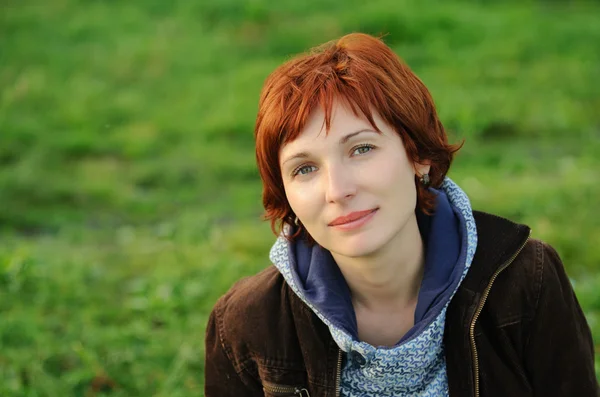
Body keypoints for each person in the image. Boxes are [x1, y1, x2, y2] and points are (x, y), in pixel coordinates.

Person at [204, 33, 597, 396]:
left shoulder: (527, 281)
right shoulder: (244, 324)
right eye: (304, 168)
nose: (337, 190)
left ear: (419, 155)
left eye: (361, 149)